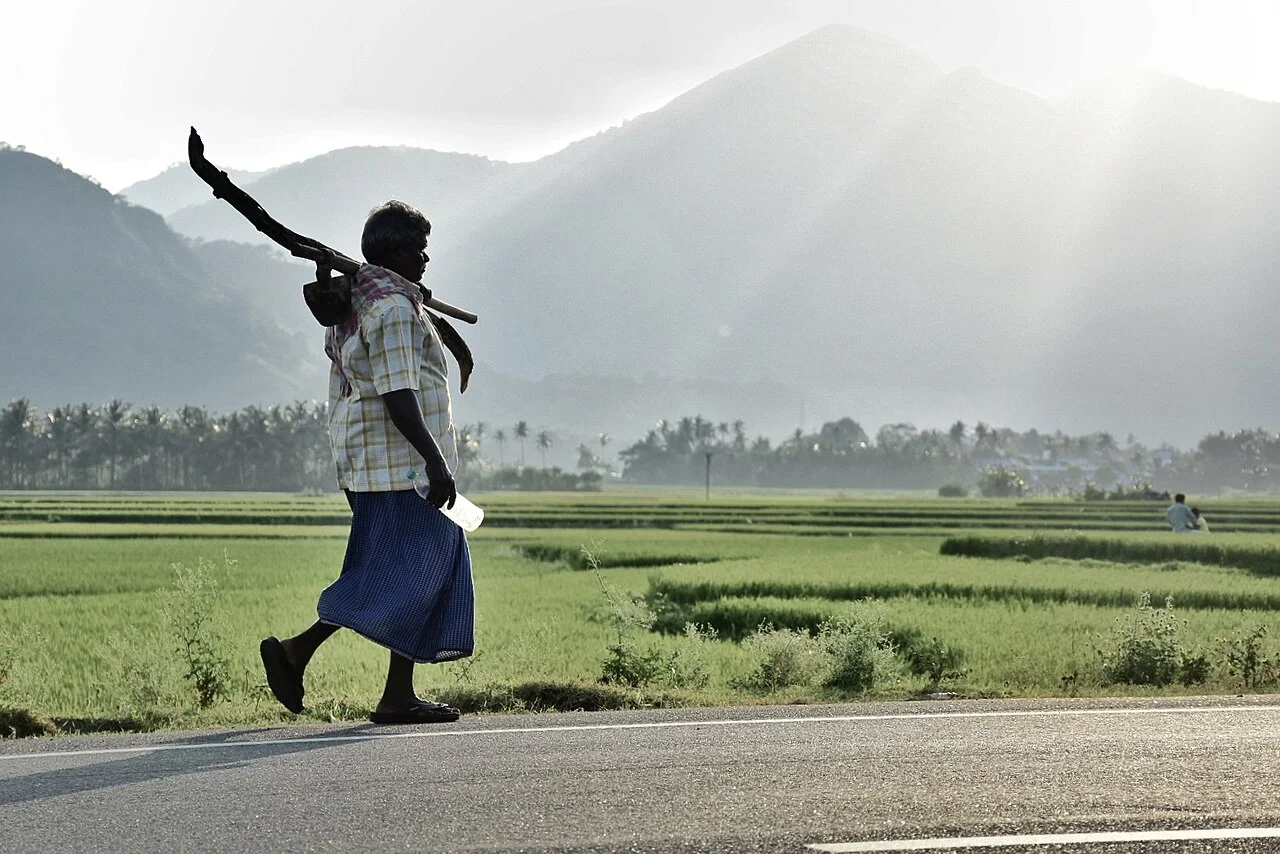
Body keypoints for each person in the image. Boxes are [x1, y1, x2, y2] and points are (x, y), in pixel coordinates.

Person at [260, 200, 473, 724]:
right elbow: (399, 393)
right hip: (401, 467)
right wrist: (435, 462)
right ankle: (297, 651)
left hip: (371, 465)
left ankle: (395, 692)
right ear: (395, 251)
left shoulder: (360, 303)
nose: (426, 259)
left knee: (412, 567)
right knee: (405, 568)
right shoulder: (395, 310)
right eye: (418, 249)